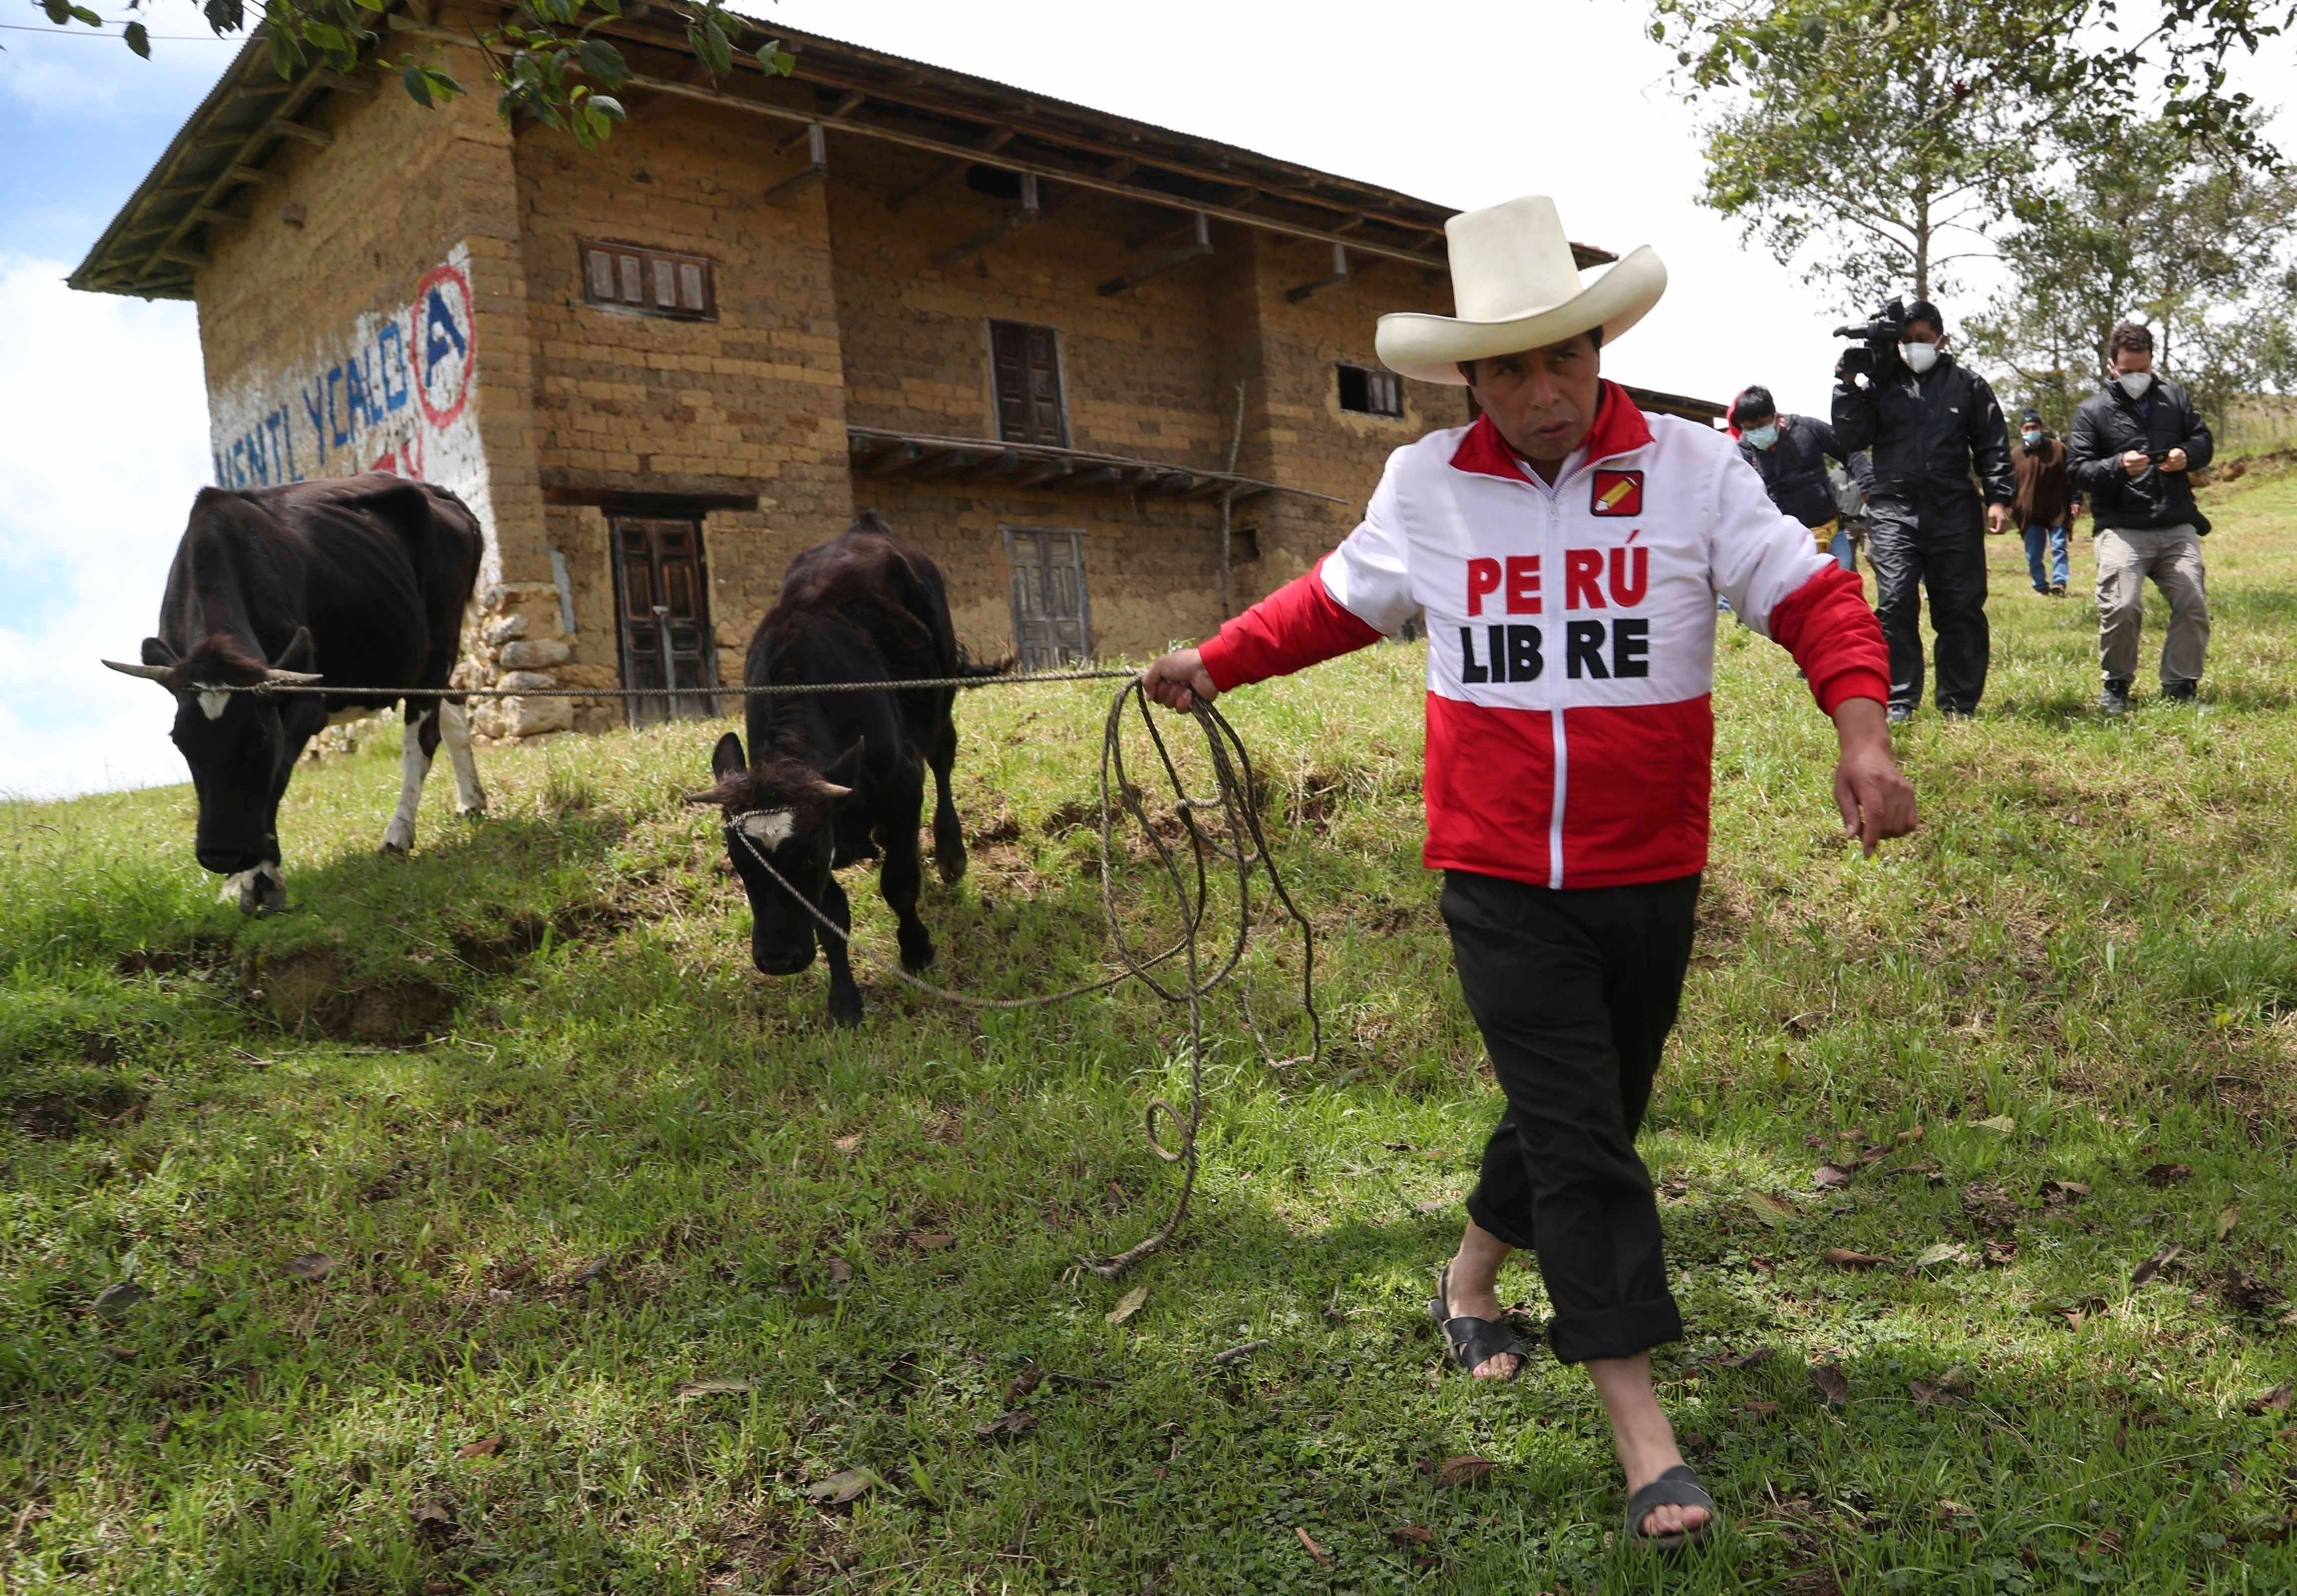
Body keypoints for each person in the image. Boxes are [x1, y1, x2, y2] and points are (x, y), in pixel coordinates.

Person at [1138, 195, 1917, 1552]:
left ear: (1601, 345)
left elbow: (1813, 596)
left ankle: (1470, 1275)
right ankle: (1641, 1427)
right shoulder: (1426, 484)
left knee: (1592, 1102)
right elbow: (1335, 599)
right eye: (1509, 367)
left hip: (1648, 863)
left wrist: (1861, 731)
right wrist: (1213, 663)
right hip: (1495, 869)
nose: (1542, 390)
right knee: (1582, 1136)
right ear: (1469, 378)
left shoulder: (1692, 469)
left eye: (1563, 356)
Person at [1831, 302, 2015, 721]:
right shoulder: (1880, 386)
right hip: (1894, 510)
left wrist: (1999, 497)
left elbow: (1992, 446)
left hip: (1954, 510)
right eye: (1907, 341)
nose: (1915, 348)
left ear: (1941, 341)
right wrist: (1846, 383)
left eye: (1923, 340)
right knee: (1895, 602)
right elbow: (1851, 435)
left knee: (1959, 606)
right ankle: (1899, 697)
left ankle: (1958, 701)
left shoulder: (1967, 385)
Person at [2066, 321, 2214, 712]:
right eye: (2127, 370)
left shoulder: (2174, 398)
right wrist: (2116, 465)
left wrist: (2188, 454)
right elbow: (2077, 469)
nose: (2136, 377)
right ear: (2111, 366)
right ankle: (2116, 686)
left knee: (2192, 602)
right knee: (2122, 604)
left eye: (2143, 370)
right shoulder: (2091, 411)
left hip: (2175, 522)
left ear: (2152, 363)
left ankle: (2180, 688)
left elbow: (2203, 440)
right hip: (2120, 527)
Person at [1729, 385, 1857, 572]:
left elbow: (1849, 450)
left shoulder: (1807, 429)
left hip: (1829, 531)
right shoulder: (1743, 454)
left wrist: (1868, 483)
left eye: (1762, 424)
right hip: (1785, 543)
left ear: (1776, 415)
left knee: (1843, 585)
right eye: (1750, 428)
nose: (1757, 432)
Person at [2011, 407, 2079, 597]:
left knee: (2059, 547)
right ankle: (2040, 585)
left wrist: (2076, 500)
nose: (2031, 431)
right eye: (2027, 428)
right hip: (2030, 512)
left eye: (2034, 427)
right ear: (2022, 431)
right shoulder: (2015, 456)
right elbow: (2010, 485)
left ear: (2041, 428)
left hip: (2058, 508)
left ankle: (2059, 582)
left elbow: (2072, 477)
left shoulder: (2058, 449)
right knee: (2033, 554)